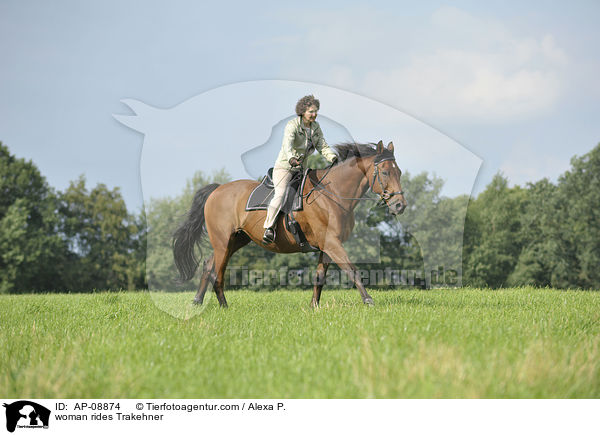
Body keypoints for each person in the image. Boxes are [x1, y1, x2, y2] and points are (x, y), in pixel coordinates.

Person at [262, 95, 338, 244]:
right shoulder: (292, 125)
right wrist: (291, 158)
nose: (314, 114)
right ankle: (269, 228)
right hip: (285, 168)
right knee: (281, 194)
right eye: (311, 111)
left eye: (316, 111)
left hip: (302, 170)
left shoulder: (315, 127)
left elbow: (322, 146)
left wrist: (333, 158)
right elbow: (287, 146)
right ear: (302, 111)